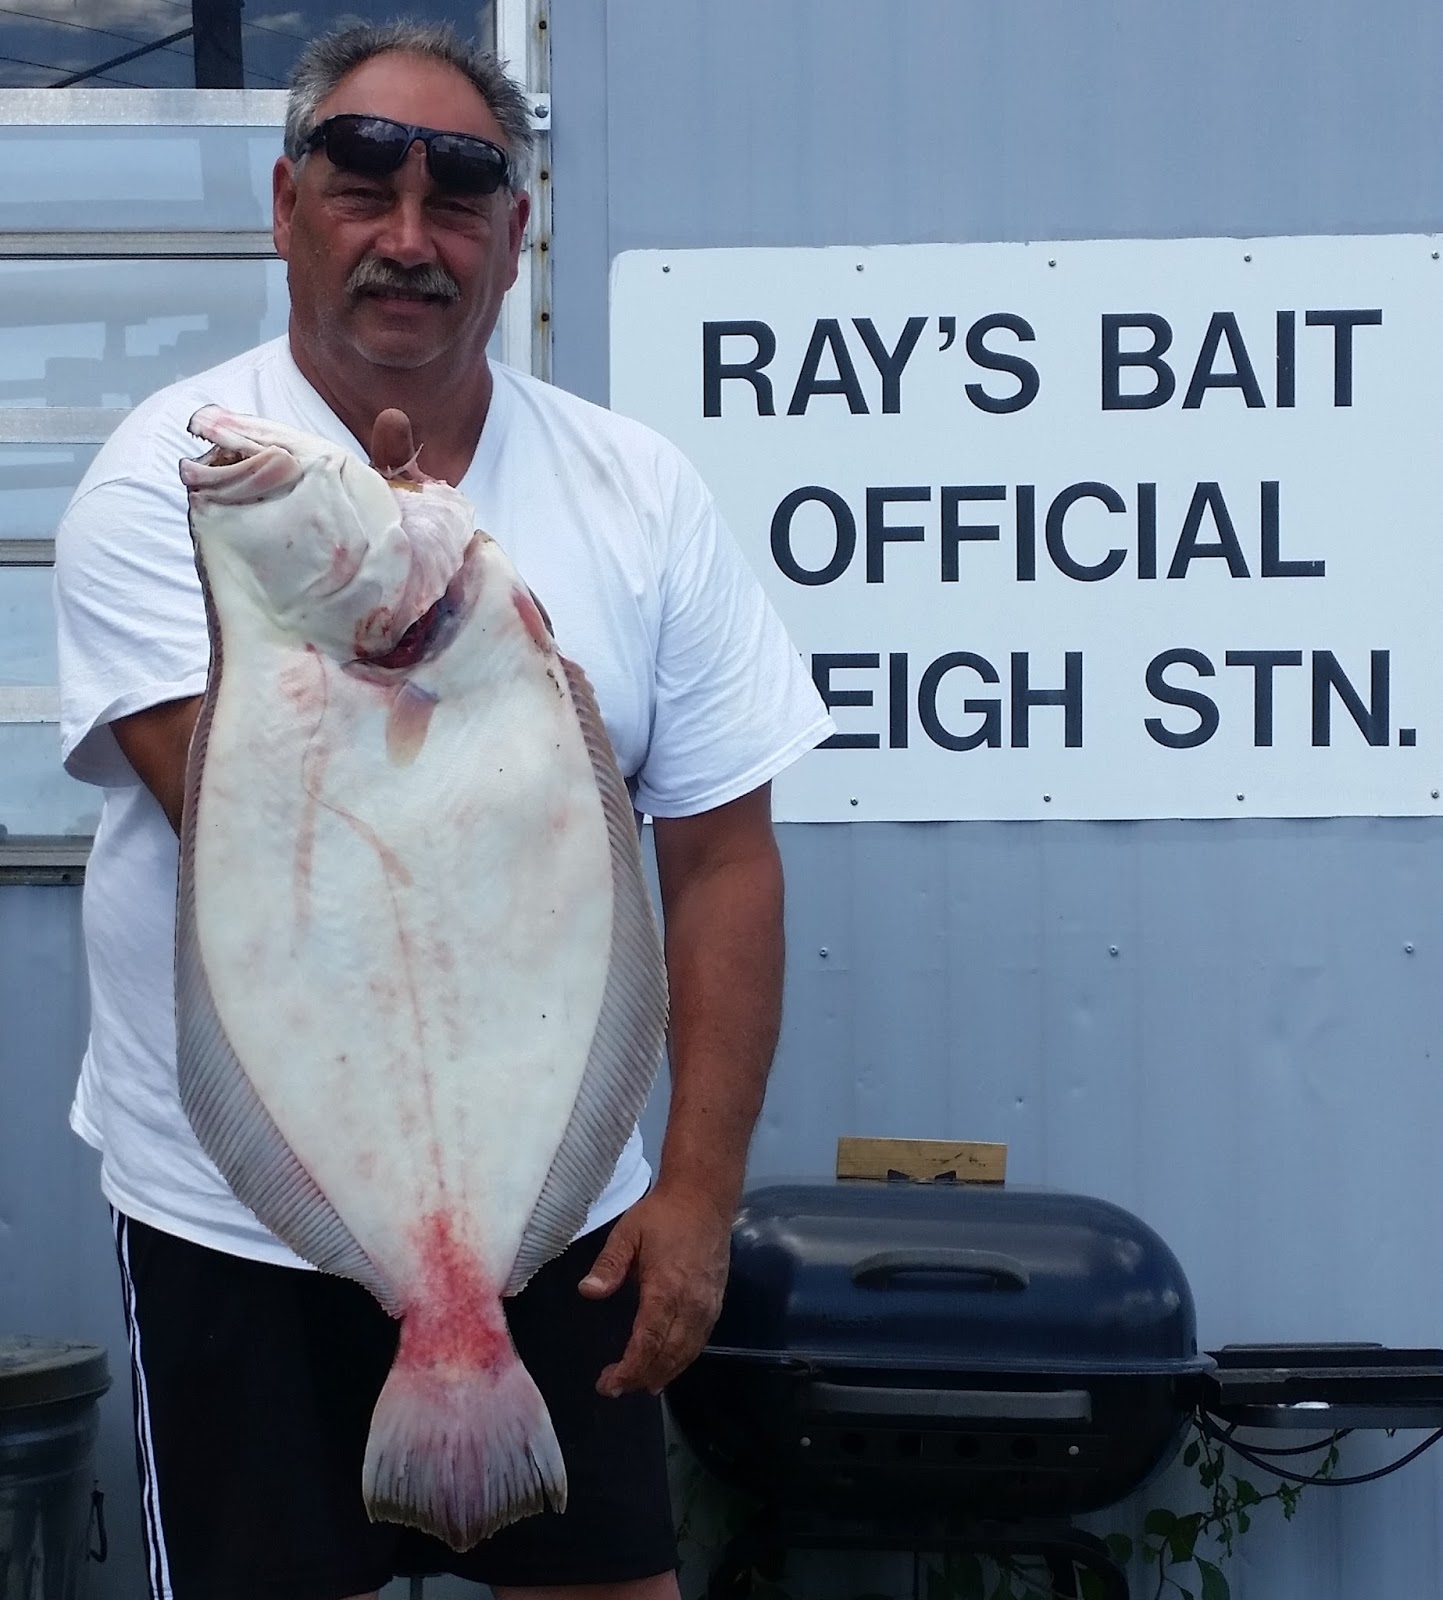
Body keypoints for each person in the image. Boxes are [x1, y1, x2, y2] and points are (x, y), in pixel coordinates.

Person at [52, 20, 832, 1600]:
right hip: (244, 1211)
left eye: (457, 199)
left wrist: (696, 1193)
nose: (409, 238)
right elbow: (262, 845)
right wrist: (432, 637)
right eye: (361, 189)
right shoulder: (176, 481)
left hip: (551, 1192)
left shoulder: (636, 491)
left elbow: (722, 860)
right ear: (286, 209)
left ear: (514, 233)